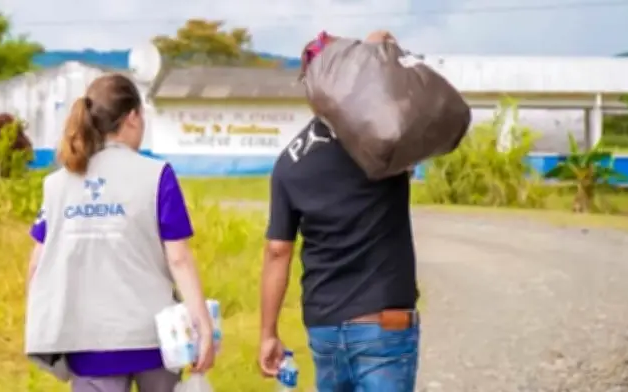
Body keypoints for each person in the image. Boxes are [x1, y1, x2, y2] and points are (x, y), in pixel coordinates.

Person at [24, 73, 215, 392]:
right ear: (133, 117)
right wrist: (202, 324)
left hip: (88, 342)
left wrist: (43, 329)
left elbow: (36, 264)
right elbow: (178, 259)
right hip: (155, 341)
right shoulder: (157, 176)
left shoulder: (57, 185)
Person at [258, 33, 420, 392]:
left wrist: (268, 334)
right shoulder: (384, 138)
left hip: (325, 327)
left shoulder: (289, 163)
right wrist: (377, 51)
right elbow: (419, 103)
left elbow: (277, 251)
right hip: (385, 322)